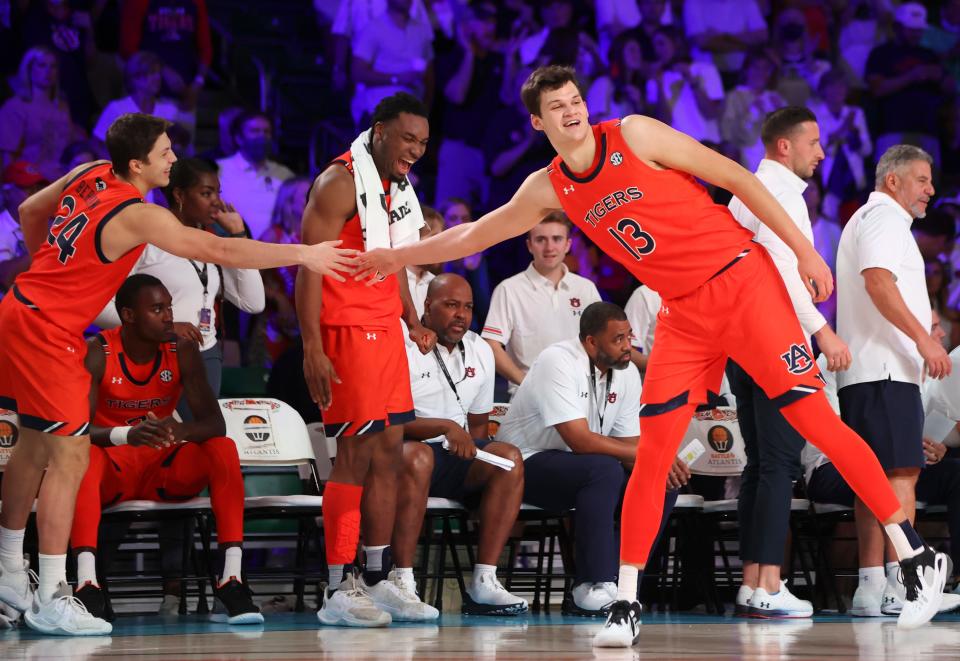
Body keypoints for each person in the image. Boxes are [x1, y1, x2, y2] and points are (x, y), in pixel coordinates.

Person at [356, 65, 952, 645]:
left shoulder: (635, 133)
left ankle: (915, 556)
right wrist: (397, 258)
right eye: (557, 107)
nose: (572, 111)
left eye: (575, 100)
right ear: (539, 123)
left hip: (743, 283)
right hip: (683, 311)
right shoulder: (547, 187)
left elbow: (739, 180)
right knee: (653, 452)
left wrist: (804, 252)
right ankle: (625, 600)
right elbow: (475, 234)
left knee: (812, 419)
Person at [0, 112, 352, 636]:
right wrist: (304, 253)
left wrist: (52, 274)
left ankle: (8, 571)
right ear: (138, 163)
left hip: (18, 308)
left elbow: (31, 210)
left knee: (32, 447)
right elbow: (221, 248)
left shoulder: (93, 170)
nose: (173, 158)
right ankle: (53, 592)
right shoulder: (140, 215)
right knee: (70, 457)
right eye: (165, 152)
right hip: (49, 329)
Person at [297, 93, 438, 628]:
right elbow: (309, 267)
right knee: (353, 457)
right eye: (408, 139)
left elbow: (394, 257)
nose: (416, 151)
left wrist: (410, 317)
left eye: (423, 143)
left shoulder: (395, 185)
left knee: (388, 454)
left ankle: (378, 580)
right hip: (346, 330)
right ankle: (338, 586)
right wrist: (312, 344)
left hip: (384, 328)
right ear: (379, 131)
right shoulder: (339, 182)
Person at [71, 274, 262, 625]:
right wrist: (126, 436)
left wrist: (179, 429)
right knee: (82, 457)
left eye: (169, 308)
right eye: (157, 309)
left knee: (222, 447)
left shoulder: (182, 349)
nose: (169, 316)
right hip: (113, 470)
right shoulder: (98, 351)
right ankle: (86, 584)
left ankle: (231, 578)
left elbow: (213, 424)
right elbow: (77, 430)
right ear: (128, 315)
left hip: (163, 468)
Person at [726, 106, 848, 618]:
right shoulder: (779, 195)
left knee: (761, 464)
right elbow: (781, 271)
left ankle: (753, 581)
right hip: (777, 340)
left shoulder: (743, 193)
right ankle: (770, 584)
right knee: (777, 463)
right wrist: (821, 330)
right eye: (814, 142)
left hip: (741, 342)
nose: (821, 153)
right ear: (785, 146)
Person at [496, 302, 683, 616]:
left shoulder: (625, 373)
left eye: (628, 338)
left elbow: (628, 443)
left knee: (660, 481)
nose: (627, 348)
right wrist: (650, 453)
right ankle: (590, 585)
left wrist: (656, 462)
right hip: (524, 464)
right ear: (591, 342)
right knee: (604, 469)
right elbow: (579, 440)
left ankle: (622, 582)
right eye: (618, 340)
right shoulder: (557, 360)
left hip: (582, 467)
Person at [836, 144, 951, 621]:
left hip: (868, 371)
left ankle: (873, 584)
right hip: (883, 370)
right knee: (900, 475)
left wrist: (924, 327)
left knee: (875, 479)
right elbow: (878, 282)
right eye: (922, 180)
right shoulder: (884, 219)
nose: (930, 190)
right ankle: (905, 583)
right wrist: (924, 339)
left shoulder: (868, 218)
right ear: (893, 181)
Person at [394, 273, 526, 617]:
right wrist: (445, 426)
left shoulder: (481, 349)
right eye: (451, 305)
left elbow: (479, 429)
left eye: (467, 307)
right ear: (427, 305)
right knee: (420, 456)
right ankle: (402, 580)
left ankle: (484, 580)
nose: (461, 315)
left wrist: (468, 443)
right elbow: (389, 424)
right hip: (403, 452)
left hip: (453, 457)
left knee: (508, 459)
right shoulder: (403, 344)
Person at [94, 157, 265, 410]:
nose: (216, 201)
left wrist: (238, 237)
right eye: (206, 193)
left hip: (206, 355)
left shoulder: (213, 242)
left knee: (199, 443)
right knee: (159, 441)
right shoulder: (145, 242)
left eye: (218, 192)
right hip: (151, 356)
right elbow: (97, 306)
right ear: (179, 194)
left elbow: (254, 303)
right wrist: (165, 327)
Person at [804, 337, 960, 614]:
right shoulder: (845, 353)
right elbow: (835, 431)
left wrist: (936, 447)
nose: (939, 335)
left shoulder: (914, 364)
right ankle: (899, 584)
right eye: (931, 327)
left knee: (943, 472)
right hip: (829, 466)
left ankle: (879, 585)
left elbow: (930, 423)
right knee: (887, 468)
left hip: (876, 454)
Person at [481, 212, 601, 396]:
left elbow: (601, 342)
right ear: (529, 245)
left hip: (580, 395)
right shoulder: (509, 289)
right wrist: (526, 383)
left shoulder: (586, 288)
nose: (549, 247)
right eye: (541, 240)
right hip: (530, 399)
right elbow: (491, 344)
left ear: (568, 244)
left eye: (557, 239)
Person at [0, 46, 76, 182]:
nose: (48, 71)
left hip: (61, 178)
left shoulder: (61, 106)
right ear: (29, 69)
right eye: (41, 65)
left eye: (53, 66)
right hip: (29, 181)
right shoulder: (15, 107)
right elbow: (7, 158)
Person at [216, 112, 295, 239]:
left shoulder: (284, 175)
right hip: (232, 249)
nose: (262, 136)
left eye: (266, 131)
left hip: (274, 253)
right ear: (239, 138)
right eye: (255, 131)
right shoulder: (219, 170)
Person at [92, 52, 180, 143]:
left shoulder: (170, 110)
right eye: (152, 72)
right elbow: (96, 143)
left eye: (158, 72)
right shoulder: (117, 109)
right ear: (135, 78)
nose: (157, 77)